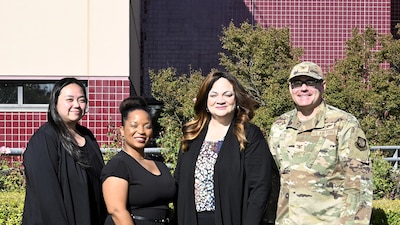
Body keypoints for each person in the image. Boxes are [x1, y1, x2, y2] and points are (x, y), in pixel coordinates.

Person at [268, 61, 373, 224]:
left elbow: (358, 184)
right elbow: (273, 180)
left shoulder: (344, 124)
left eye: (310, 82)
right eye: (297, 83)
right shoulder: (279, 127)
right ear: (290, 88)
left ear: (323, 86)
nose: (303, 88)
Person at [175, 71, 273, 225]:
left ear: (237, 99)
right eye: (213, 95)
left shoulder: (249, 134)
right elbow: (179, 184)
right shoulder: (192, 136)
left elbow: (260, 189)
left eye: (227, 95)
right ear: (205, 100)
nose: (220, 100)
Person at [22, 77, 107, 225]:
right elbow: (46, 197)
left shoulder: (88, 137)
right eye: (70, 99)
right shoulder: (44, 139)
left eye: (81, 100)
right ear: (55, 103)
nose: (76, 105)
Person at [101, 96, 176, 225]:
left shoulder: (160, 165)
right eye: (134, 126)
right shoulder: (118, 165)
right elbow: (117, 211)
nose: (141, 131)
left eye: (147, 126)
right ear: (122, 130)